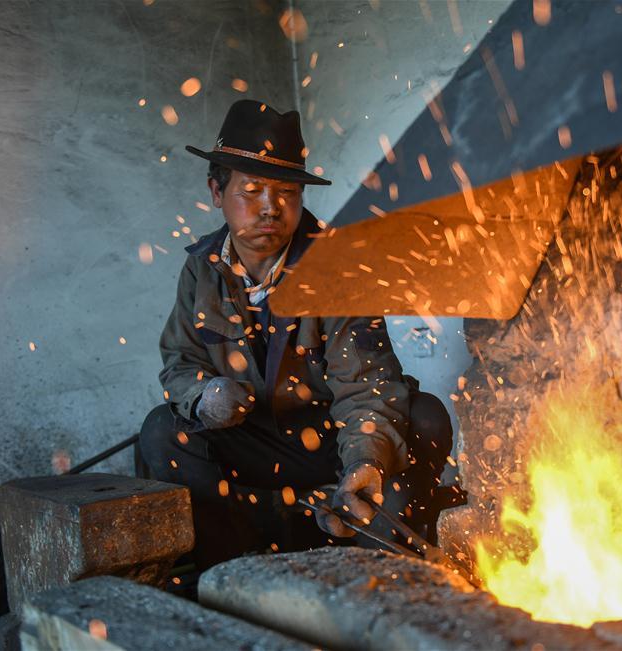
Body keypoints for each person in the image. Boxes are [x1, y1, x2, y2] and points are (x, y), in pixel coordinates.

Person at [139, 99, 453, 569]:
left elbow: (366, 386)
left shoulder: (336, 268)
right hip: (252, 442)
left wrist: (364, 459)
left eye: (287, 191)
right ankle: (217, 571)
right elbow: (180, 363)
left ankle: (376, 563)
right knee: (164, 431)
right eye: (252, 190)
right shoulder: (201, 269)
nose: (271, 206)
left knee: (425, 418)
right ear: (215, 191)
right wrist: (204, 396)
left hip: (330, 442)